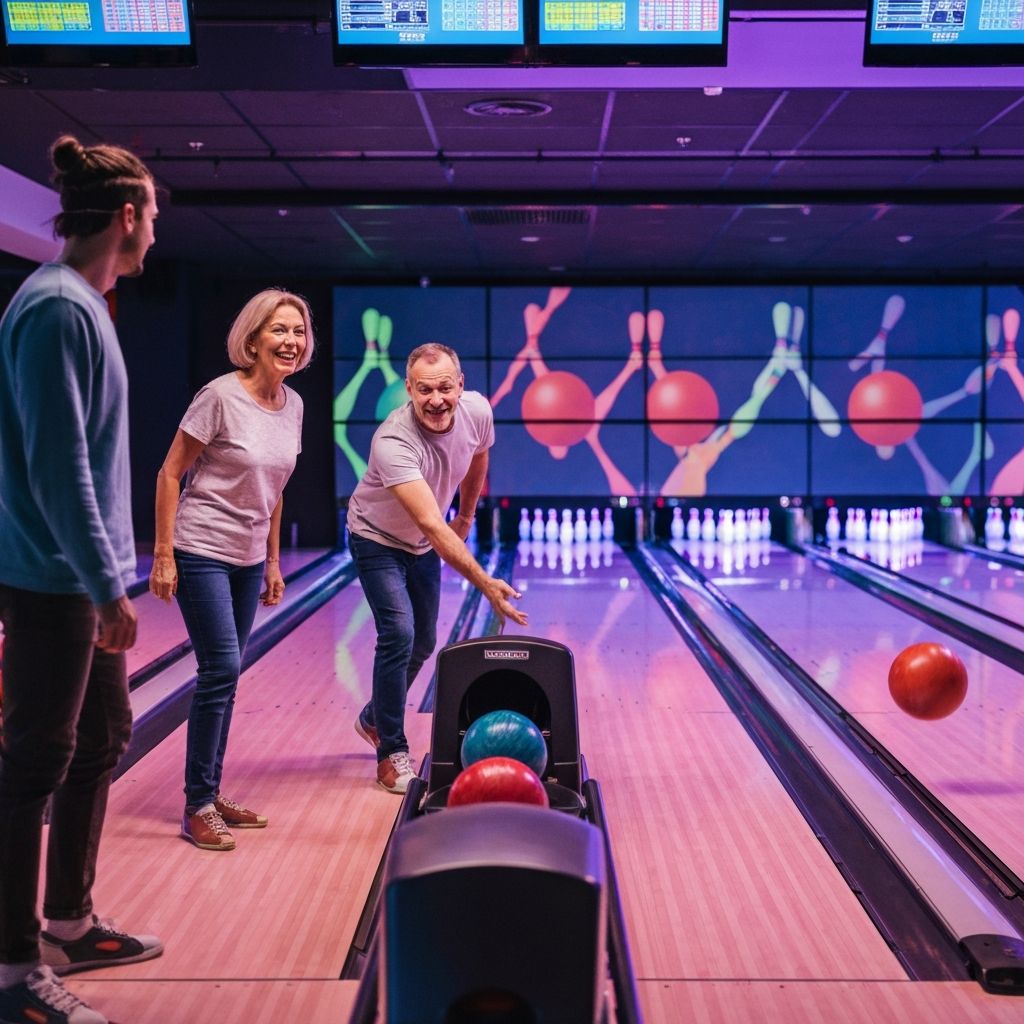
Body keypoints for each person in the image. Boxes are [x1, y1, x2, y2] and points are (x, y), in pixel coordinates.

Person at [0, 135, 163, 1024]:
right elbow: (60, 463)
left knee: (100, 736)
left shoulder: (84, 305)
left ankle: (69, 920)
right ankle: (13, 970)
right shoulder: (58, 308)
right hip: (53, 576)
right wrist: (108, 585)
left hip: (77, 574)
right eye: (153, 218)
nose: (155, 237)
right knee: (31, 766)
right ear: (128, 217)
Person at [148, 288, 312, 852]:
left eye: (298, 331)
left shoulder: (293, 405)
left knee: (228, 674)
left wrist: (272, 559)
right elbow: (171, 473)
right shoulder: (218, 397)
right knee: (219, 668)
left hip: (247, 558)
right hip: (201, 548)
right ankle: (197, 805)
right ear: (253, 337)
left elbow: (277, 489)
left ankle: (210, 793)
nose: (290, 341)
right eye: (279, 330)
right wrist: (164, 552)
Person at [347, 342, 528, 794]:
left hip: (423, 544)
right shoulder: (393, 442)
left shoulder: (477, 411)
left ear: (460, 385)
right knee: (400, 634)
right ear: (409, 389)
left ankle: (373, 718)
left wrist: (467, 516)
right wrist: (485, 582)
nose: (436, 399)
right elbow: (431, 523)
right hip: (376, 538)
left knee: (424, 642)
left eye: (445, 388)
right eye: (425, 390)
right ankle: (391, 752)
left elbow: (478, 455)